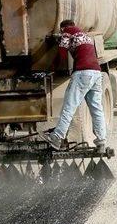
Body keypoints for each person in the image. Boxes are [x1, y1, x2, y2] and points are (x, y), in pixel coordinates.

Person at [39, 19, 107, 152]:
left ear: (63, 28)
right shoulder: (84, 35)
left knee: (69, 107)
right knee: (96, 109)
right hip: (97, 72)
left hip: (83, 73)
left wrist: (52, 69)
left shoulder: (67, 33)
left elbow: (61, 55)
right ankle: (101, 142)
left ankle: (57, 137)